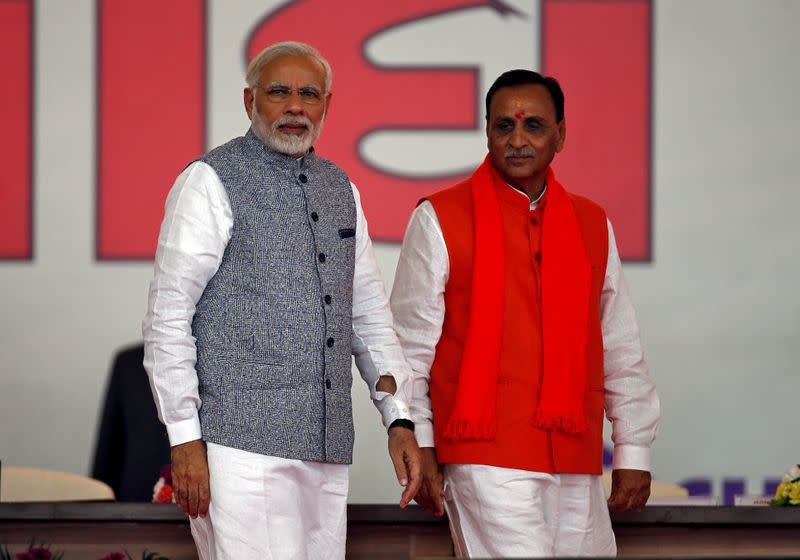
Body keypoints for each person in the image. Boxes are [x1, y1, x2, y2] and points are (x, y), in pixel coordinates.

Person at [142, 41, 421, 559]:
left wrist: (399, 417)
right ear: (250, 101)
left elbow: (368, 317)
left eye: (309, 94)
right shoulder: (209, 181)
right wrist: (184, 438)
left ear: (327, 105)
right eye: (279, 92)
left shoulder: (340, 187)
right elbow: (168, 319)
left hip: (326, 447)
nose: (295, 106)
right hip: (236, 447)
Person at [390, 69, 660, 558]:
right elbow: (409, 350)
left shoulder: (591, 222)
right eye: (503, 127)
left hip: (575, 454)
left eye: (533, 126)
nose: (517, 140)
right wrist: (423, 443)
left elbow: (620, 345)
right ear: (486, 131)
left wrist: (633, 450)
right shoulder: (440, 217)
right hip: (486, 456)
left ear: (560, 133)